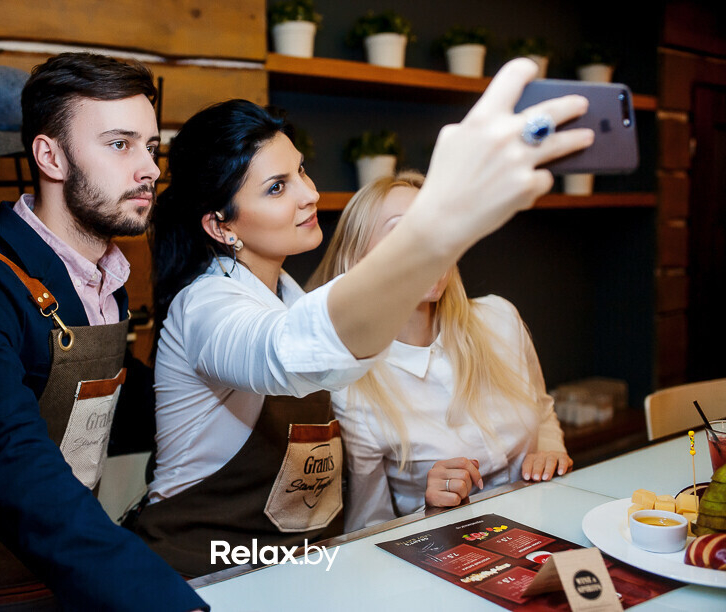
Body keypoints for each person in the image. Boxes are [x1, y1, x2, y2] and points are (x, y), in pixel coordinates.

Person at [130, 58, 592, 577]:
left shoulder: (290, 299)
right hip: (201, 577)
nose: (309, 194)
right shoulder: (204, 307)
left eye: (301, 171)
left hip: (295, 571)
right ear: (221, 226)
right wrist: (437, 221)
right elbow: (288, 352)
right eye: (277, 187)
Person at [0, 53, 207, 611]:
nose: (149, 169)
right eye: (120, 144)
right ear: (50, 156)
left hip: (69, 582)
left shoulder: (106, 280)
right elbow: (10, 458)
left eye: (151, 147)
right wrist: (160, 597)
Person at [309, 171, 572, 533]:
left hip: (546, 530)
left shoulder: (501, 318)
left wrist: (551, 451)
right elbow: (368, 526)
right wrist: (429, 508)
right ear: (359, 261)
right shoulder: (353, 388)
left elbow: (542, 410)